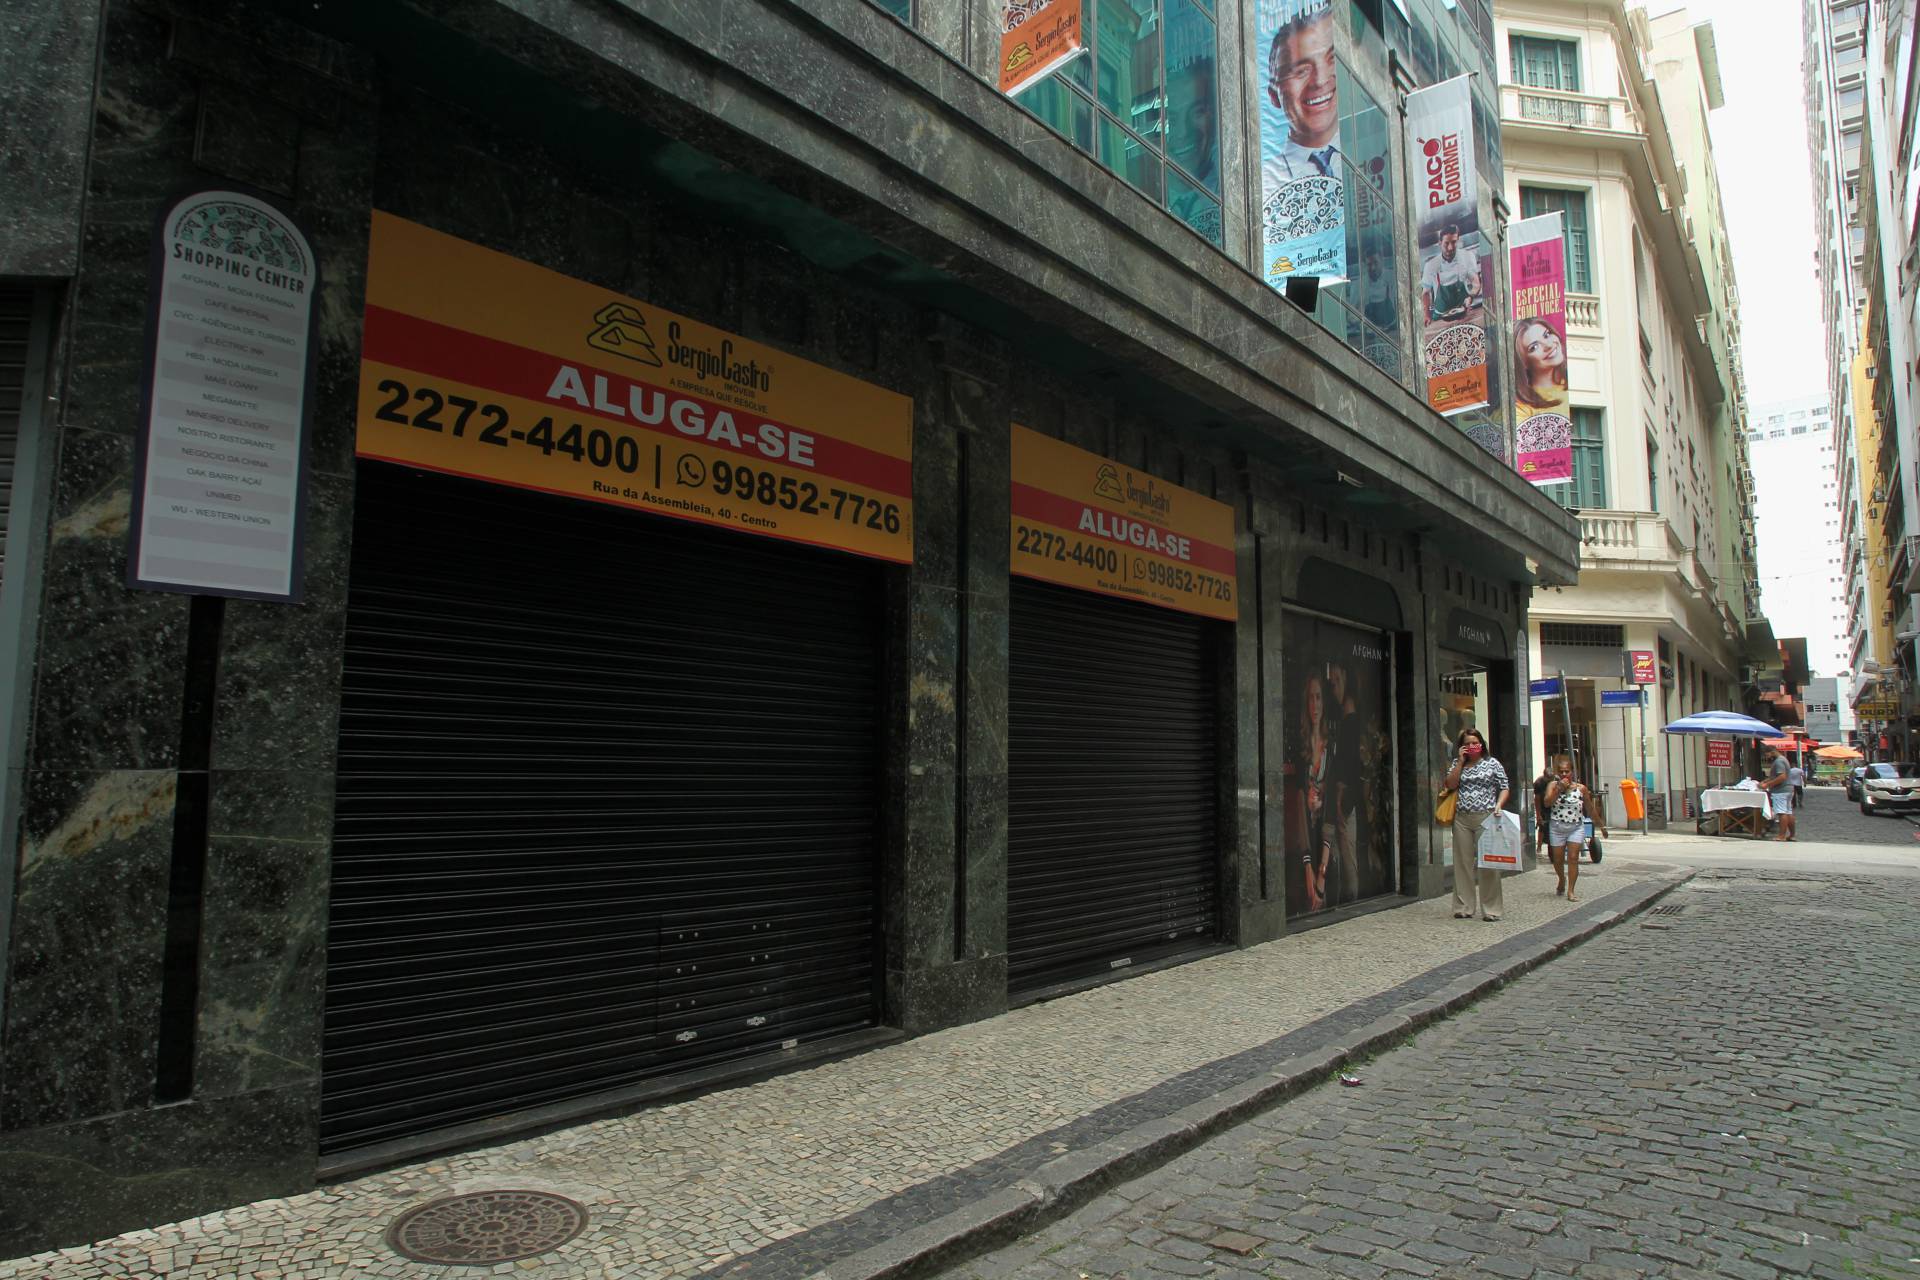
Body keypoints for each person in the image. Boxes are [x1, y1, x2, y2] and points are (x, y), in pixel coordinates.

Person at [1262, 7, 1342, 187]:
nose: (1320, 80)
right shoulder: (1265, 185)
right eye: (1301, 71)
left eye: (1332, 59)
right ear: (1274, 95)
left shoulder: (1371, 151)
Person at [1443, 727, 1510, 921]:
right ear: (1461, 747)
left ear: (1481, 744)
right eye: (1467, 744)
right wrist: (1460, 762)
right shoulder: (1457, 764)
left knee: (1488, 863)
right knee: (1462, 863)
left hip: (1486, 817)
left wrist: (1499, 804)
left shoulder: (1492, 763)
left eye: (1475, 742)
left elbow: (1504, 786)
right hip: (1462, 818)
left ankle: (1491, 909)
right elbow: (1450, 784)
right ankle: (1463, 907)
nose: (1471, 746)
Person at [1544, 754, 1606, 902]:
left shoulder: (1581, 789)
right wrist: (1559, 789)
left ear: (1572, 772)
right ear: (1557, 773)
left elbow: (1590, 808)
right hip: (1557, 827)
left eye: (1567, 771)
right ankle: (1561, 879)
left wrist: (1601, 826)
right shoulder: (1552, 786)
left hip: (1575, 827)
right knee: (1558, 860)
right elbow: (1547, 803)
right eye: (1561, 771)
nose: (1564, 774)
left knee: (1573, 858)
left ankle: (1571, 891)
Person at [1298, 674, 1336, 911]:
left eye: (1319, 697)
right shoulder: (1300, 744)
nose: (1315, 704)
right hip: (1305, 840)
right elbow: (1297, 802)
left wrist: (1322, 871)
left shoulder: (1331, 746)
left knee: (1323, 898)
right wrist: (1307, 866)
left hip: (1326, 841)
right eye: (1311, 698)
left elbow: (1332, 804)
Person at [1419, 224, 1483, 327]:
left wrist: (1470, 297)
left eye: (1454, 242)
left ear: (1458, 240)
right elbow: (1425, 292)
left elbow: (1476, 284)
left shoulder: (1467, 257)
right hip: (1440, 317)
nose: (1450, 248)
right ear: (1440, 243)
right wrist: (1426, 314)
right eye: (1446, 243)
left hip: (1463, 313)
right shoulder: (1431, 265)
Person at [1512, 316, 1569, 416]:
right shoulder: (1521, 409)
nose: (1549, 345)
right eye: (1534, 347)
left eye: (1547, 335)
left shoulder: (1569, 382)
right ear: (1523, 362)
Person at [1762, 747, 1797, 842]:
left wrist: (1767, 784)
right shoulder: (1784, 759)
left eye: (1767, 754)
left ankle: (1781, 836)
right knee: (1788, 812)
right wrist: (1765, 781)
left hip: (1780, 790)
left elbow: (1782, 777)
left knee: (1782, 812)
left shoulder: (1778, 762)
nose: (1767, 757)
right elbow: (1776, 776)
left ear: (1772, 752)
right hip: (1789, 789)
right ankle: (1792, 835)